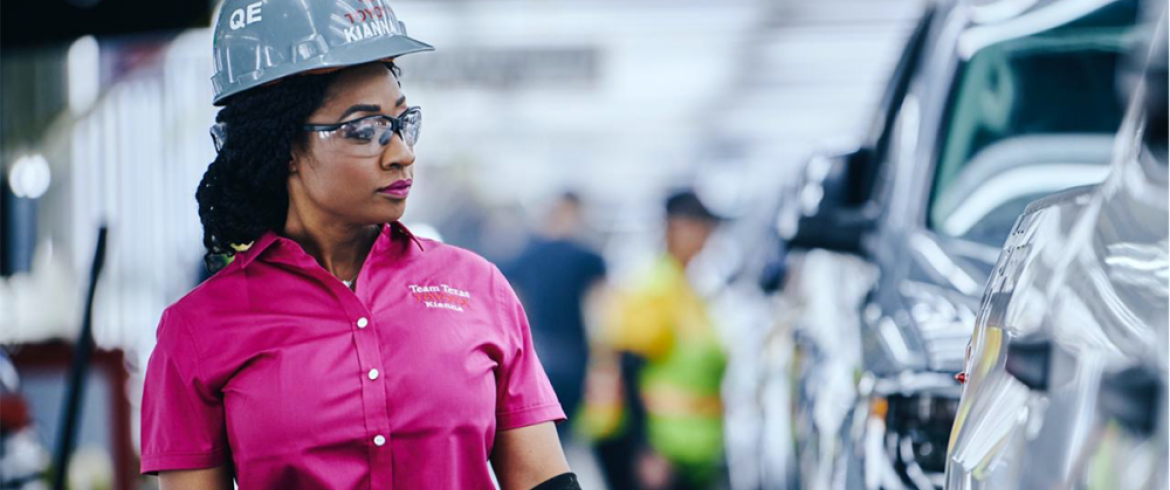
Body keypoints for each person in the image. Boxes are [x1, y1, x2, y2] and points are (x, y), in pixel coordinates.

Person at [138, 2, 581, 489]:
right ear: (282, 146)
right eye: (364, 130)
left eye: (401, 122)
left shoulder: (478, 289)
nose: (402, 153)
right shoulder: (199, 331)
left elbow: (544, 480)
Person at [603, 190, 728, 490]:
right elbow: (629, 371)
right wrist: (645, 451)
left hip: (693, 450)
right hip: (664, 453)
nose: (707, 238)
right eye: (700, 227)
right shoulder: (656, 289)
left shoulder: (687, 289)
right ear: (675, 228)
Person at [502, 192, 607, 440]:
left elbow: (515, 310)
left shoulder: (524, 256)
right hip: (574, 358)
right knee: (568, 436)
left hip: (537, 357)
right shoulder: (588, 259)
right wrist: (602, 365)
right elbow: (597, 316)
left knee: (539, 433)